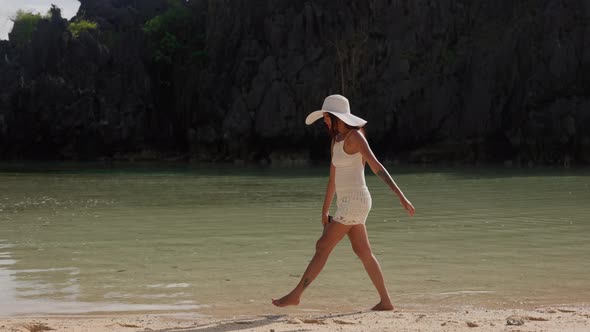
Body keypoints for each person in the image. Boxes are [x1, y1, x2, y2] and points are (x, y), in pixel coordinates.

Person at [272, 94, 415, 311]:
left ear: (338, 117)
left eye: (327, 117)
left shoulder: (355, 136)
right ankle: (386, 302)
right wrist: (325, 209)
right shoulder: (336, 141)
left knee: (322, 246)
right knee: (363, 252)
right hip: (346, 203)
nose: (325, 121)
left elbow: (376, 165)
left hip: (356, 201)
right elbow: (333, 178)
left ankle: (296, 295)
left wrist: (400, 196)